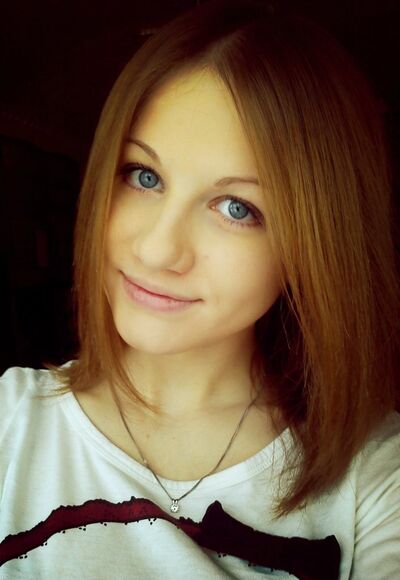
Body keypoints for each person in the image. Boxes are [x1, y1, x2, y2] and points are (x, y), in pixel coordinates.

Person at [1, 0, 399, 577]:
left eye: (236, 207)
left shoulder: (373, 474)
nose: (158, 250)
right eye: (144, 176)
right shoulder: (11, 422)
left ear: (314, 246)